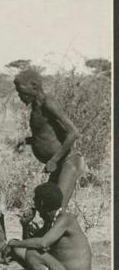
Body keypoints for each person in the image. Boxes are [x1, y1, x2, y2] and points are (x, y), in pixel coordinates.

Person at [4, 182, 91, 270]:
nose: (33, 202)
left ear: (42, 203)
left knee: (32, 253)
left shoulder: (65, 219)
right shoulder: (51, 221)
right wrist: (25, 225)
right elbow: (30, 243)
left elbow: (42, 243)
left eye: (35, 199)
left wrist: (12, 242)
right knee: (19, 250)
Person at [14, 69, 85, 211]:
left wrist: (53, 160)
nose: (19, 95)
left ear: (34, 86)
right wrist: (27, 141)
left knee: (57, 209)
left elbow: (73, 133)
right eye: (18, 92)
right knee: (47, 207)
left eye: (21, 91)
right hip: (59, 164)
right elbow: (47, 134)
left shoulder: (49, 104)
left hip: (68, 162)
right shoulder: (36, 107)